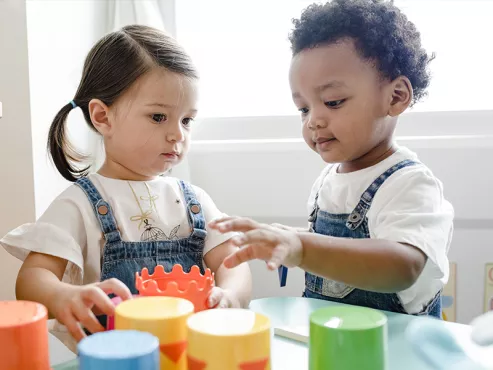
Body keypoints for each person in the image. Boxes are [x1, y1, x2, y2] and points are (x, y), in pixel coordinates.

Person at [1, 25, 251, 351]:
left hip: (188, 355)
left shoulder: (194, 201)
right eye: (159, 117)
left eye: (187, 120)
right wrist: (63, 296)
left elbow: (233, 262)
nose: (178, 134)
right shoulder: (80, 204)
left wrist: (231, 295)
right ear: (103, 117)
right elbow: (32, 279)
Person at [210, 0, 453, 318]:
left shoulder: (409, 183)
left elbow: (403, 265)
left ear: (395, 97)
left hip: (395, 349)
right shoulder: (328, 180)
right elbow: (335, 248)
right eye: (304, 108)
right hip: (336, 342)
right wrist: (288, 239)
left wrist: (303, 246)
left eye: (332, 101)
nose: (313, 120)